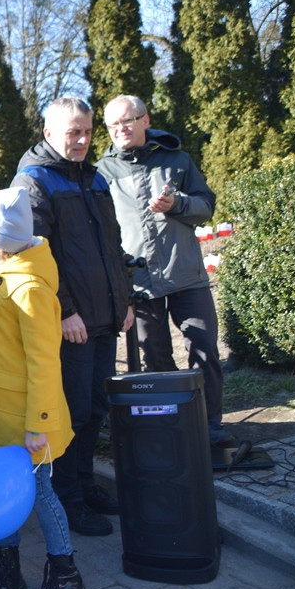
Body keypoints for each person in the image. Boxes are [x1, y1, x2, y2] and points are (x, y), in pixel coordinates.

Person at [11, 97, 133, 537]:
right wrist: (66, 311)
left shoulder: (94, 177)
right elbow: (33, 256)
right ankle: (70, 500)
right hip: (71, 323)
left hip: (104, 317)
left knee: (96, 407)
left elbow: (111, 244)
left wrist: (125, 302)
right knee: (73, 413)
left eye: (86, 131)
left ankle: (86, 485)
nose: (82, 140)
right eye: (72, 132)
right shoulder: (33, 182)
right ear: (49, 133)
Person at [0, 187, 84, 589]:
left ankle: (66, 572)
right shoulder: (0, 273)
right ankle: (9, 571)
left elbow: (44, 364)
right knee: (3, 495)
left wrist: (39, 422)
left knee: (39, 493)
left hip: (25, 420)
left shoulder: (28, 287)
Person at [98, 95, 230, 446]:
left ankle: (210, 424)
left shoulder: (178, 160)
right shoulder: (102, 172)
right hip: (138, 282)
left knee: (204, 348)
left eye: (127, 121)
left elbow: (206, 207)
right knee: (155, 359)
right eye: (112, 125)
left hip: (186, 275)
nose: (120, 130)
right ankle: (173, 426)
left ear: (145, 120)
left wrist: (178, 204)